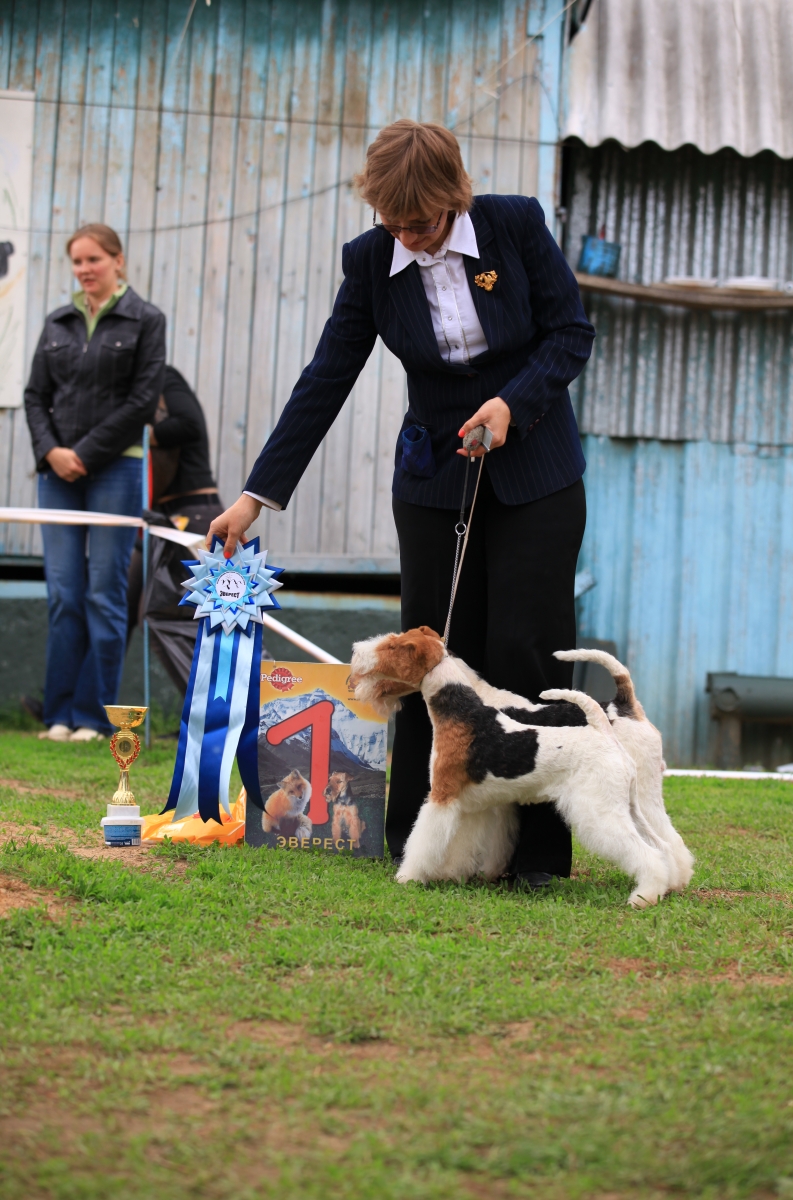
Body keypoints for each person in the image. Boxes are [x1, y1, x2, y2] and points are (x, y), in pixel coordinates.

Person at [209, 120, 595, 888]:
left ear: (454, 198)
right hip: (432, 479)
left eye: (422, 222)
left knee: (526, 650)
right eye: (395, 224)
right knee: (429, 657)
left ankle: (540, 858)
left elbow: (570, 334)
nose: (410, 238)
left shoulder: (516, 224)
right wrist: (256, 496)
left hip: (537, 472)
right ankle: (421, 845)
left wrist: (511, 404)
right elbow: (327, 376)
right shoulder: (370, 260)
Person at [24, 223, 166, 742]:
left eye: (94, 260)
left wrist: (83, 453)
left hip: (116, 469)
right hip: (56, 474)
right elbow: (34, 396)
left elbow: (143, 401)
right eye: (77, 262)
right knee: (64, 593)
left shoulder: (147, 319)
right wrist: (52, 452)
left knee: (104, 593)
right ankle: (58, 716)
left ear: (117, 261)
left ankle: (90, 716)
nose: (85, 270)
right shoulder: (57, 321)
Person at [127, 366, 224, 694]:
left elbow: (189, 424)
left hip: (193, 517)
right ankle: (81, 708)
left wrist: (143, 436)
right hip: (161, 521)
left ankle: (206, 716)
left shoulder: (163, 377)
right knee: (135, 612)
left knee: (194, 622)